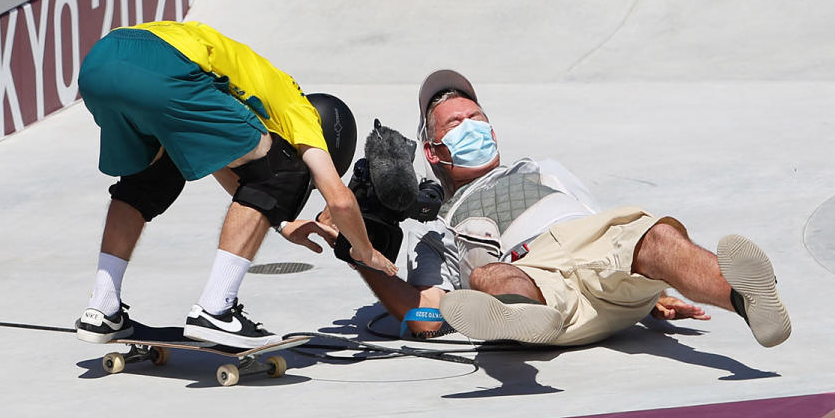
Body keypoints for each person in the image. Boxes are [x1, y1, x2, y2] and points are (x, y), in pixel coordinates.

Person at [338, 69, 790, 348]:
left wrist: (660, 293)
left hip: (595, 258)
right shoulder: (436, 233)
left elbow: (608, 235)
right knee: (485, 272)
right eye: (456, 123)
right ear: (433, 152)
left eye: (477, 118)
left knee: (650, 236)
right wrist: (360, 255)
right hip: (536, 278)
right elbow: (424, 314)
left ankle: (744, 299)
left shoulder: (542, 168)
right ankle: (520, 314)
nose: (471, 126)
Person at [74, 20, 396, 348]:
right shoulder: (302, 116)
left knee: (149, 179)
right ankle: (216, 310)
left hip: (101, 63)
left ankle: (102, 308)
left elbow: (217, 157)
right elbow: (340, 201)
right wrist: (366, 252)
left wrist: (281, 222)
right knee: (281, 171)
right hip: (167, 67)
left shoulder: (256, 99)